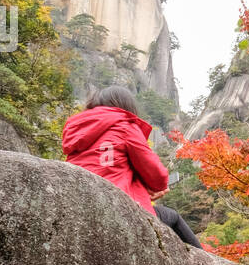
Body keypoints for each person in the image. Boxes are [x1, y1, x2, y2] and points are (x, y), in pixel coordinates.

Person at [62, 85, 202, 247]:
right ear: (126, 106)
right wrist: (152, 188)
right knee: (172, 216)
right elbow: (159, 177)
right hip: (119, 209)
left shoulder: (76, 130)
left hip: (78, 206)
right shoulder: (124, 125)